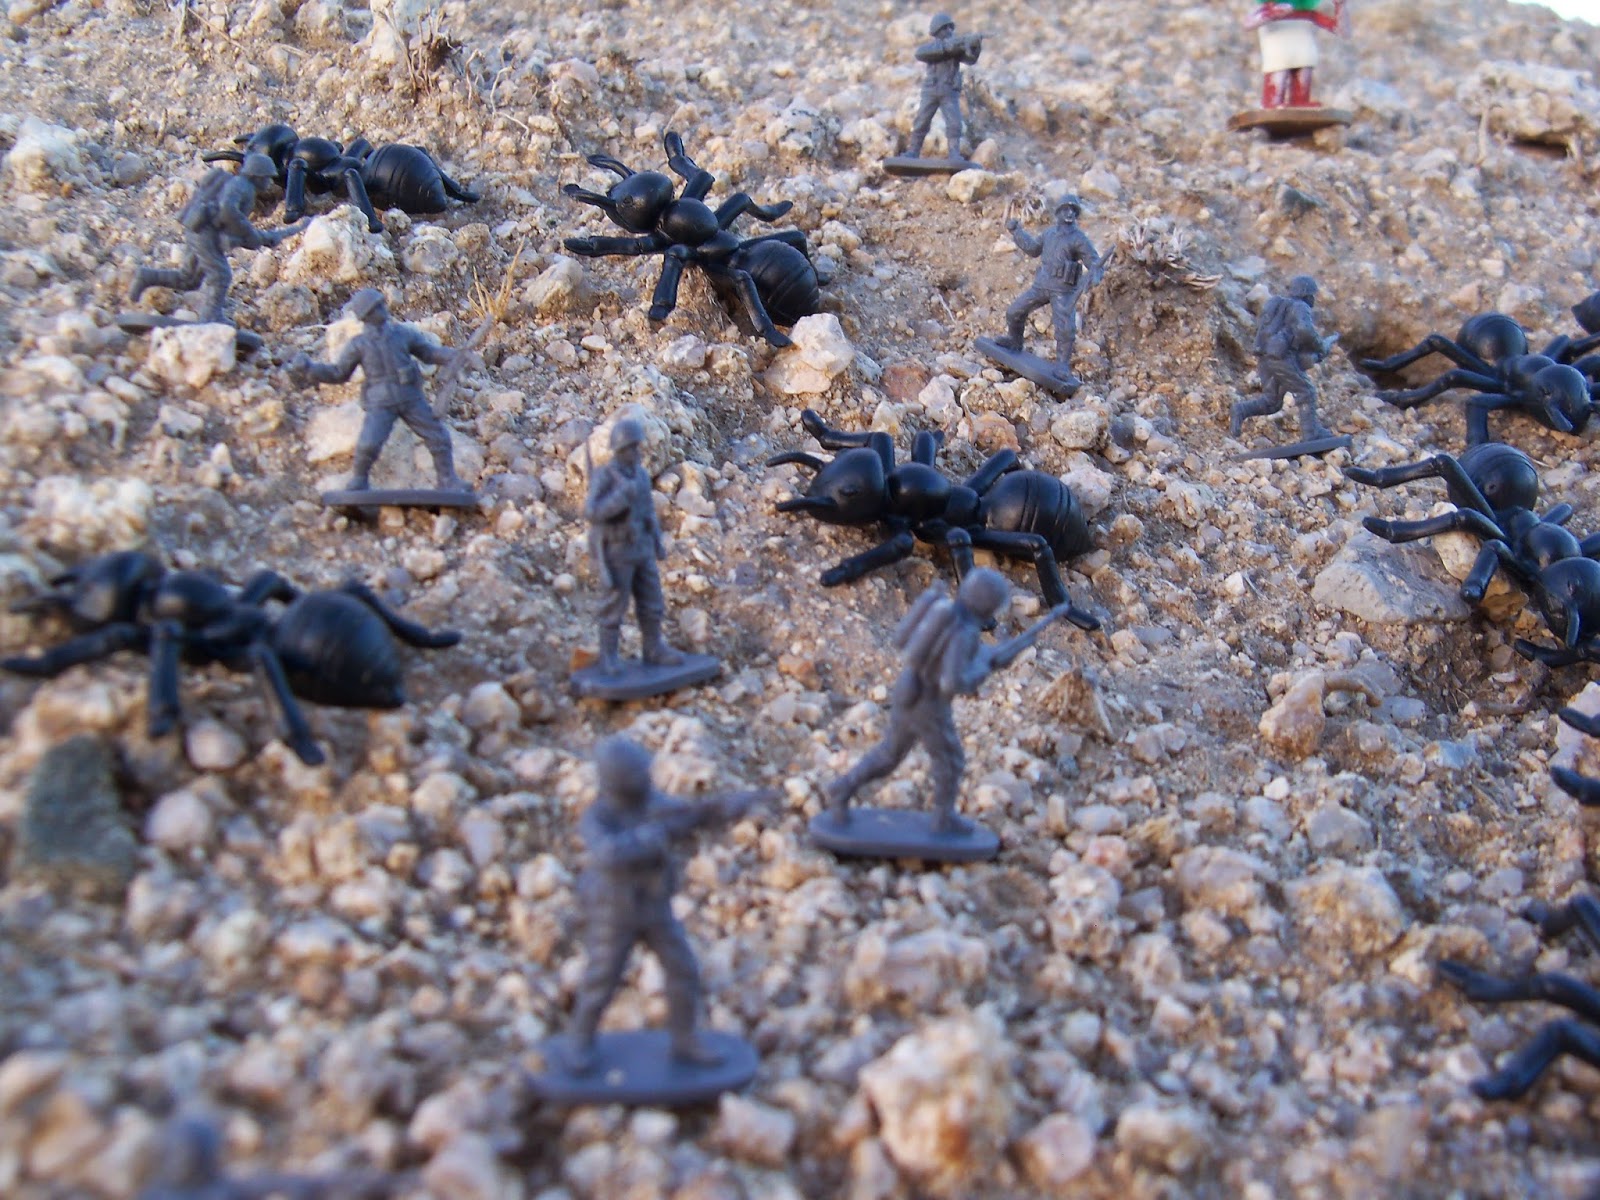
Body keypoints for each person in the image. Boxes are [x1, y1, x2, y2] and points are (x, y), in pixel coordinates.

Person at [564, 736, 765, 1072]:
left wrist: (726, 808)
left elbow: (688, 816)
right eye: (636, 775)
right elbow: (608, 853)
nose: (644, 779)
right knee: (602, 978)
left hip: (655, 905)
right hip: (616, 911)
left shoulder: (652, 803)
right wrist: (649, 838)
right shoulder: (598, 816)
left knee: (682, 968)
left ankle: (685, 1038)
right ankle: (579, 1042)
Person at [827, 569, 1068, 831]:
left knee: (890, 754)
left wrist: (997, 654)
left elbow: (966, 655)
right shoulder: (965, 632)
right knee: (950, 761)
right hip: (928, 703)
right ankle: (943, 818)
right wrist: (984, 669)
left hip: (909, 689)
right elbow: (953, 681)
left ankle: (843, 788)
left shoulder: (949, 614)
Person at [289, 288, 468, 494]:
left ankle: (447, 480)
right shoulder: (359, 345)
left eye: (381, 304)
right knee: (369, 443)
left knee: (438, 436)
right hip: (381, 400)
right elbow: (338, 373)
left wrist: (451, 355)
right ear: (366, 315)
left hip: (409, 396)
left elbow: (428, 353)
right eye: (377, 307)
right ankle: (358, 481)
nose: (383, 309)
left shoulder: (402, 334)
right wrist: (310, 369)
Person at [129, 153, 306, 324]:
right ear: (257, 175)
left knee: (189, 278)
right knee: (221, 275)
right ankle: (210, 317)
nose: (269, 182)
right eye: (267, 177)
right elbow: (227, 209)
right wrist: (249, 234)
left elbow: (231, 223)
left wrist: (259, 237)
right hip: (205, 235)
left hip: (199, 231)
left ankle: (146, 276)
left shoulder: (242, 186)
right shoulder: (242, 186)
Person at [585, 417, 684, 674]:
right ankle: (608, 656)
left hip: (642, 546)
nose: (637, 452)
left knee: (652, 600)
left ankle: (653, 647)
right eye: (632, 447)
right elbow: (592, 512)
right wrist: (620, 498)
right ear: (620, 449)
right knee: (613, 605)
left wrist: (657, 541)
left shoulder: (640, 475)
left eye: (637, 447)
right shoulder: (606, 475)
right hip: (617, 550)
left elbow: (648, 510)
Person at [996, 196, 1103, 378]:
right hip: (1042, 285)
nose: (1070, 213)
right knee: (1014, 311)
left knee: (1065, 328)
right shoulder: (1049, 234)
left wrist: (1096, 275)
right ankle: (1014, 341)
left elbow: (1094, 261)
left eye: (1073, 210)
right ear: (1058, 212)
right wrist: (1017, 232)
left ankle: (1062, 365)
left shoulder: (1079, 239)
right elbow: (1032, 249)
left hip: (1063, 290)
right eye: (1066, 209)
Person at [1230, 274, 1339, 442]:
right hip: (1280, 357)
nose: (1313, 299)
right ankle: (1311, 434)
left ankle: (1241, 410)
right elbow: (1305, 330)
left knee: (1272, 402)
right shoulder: (1300, 306)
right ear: (1306, 294)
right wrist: (1320, 346)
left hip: (1266, 356)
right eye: (1312, 295)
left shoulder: (1278, 306)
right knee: (1306, 391)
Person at [906, 13, 983, 159]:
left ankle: (954, 154)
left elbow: (970, 60)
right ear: (936, 31)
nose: (949, 31)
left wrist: (975, 46)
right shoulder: (932, 47)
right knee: (921, 121)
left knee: (954, 124)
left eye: (950, 28)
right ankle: (913, 151)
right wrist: (947, 47)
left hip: (949, 91)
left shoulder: (956, 49)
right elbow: (920, 53)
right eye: (945, 28)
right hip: (931, 90)